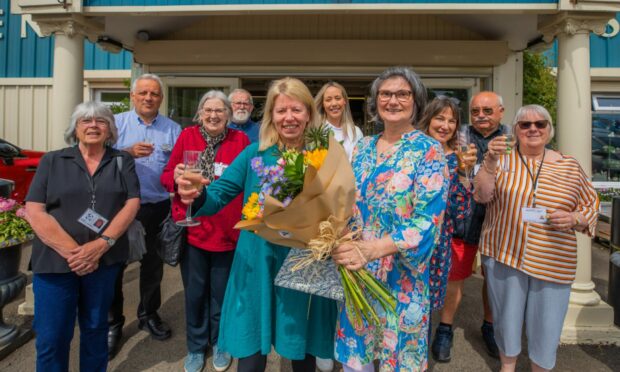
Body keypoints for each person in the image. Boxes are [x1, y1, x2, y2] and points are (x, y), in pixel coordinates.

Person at [176, 77, 337, 372]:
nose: (289, 117)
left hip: (303, 262)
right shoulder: (254, 154)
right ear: (271, 117)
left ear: (309, 115)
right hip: (257, 259)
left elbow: (338, 207)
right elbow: (218, 196)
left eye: (297, 110)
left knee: (302, 350)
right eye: (281, 111)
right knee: (250, 352)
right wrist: (197, 194)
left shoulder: (325, 156)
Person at [331, 66, 448, 371]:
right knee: (358, 361)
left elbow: (427, 223)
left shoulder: (429, 151)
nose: (393, 100)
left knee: (396, 359)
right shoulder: (363, 148)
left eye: (402, 94)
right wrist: (335, 234)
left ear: (416, 101)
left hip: (401, 277)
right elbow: (348, 203)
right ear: (375, 101)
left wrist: (373, 249)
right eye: (385, 93)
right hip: (358, 272)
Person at [474, 104, 599, 371]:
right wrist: (490, 160)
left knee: (547, 323)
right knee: (506, 319)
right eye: (525, 124)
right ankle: (507, 367)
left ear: (549, 130)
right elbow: (482, 196)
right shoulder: (502, 160)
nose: (533, 129)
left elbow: (591, 204)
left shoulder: (569, 166)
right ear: (515, 130)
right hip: (505, 251)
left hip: (552, 259)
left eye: (540, 124)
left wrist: (574, 218)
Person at [25, 102, 140, 371]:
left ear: (110, 129)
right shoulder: (52, 160)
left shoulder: (123, 161)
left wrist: (101, 245)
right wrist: (75, 253)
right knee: (52, 337)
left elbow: (132, 203)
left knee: (95, 330)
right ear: (75, 129)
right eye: (85, 121)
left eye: (101, 121)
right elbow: (35, 210)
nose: (93, 125)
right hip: (54, 262)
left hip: (103, 261)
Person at [161, 90, 250, 372]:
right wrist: (175, 178)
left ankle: (221, 342)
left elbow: (251, 179)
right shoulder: (188, 137)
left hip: (228, 234)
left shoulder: (241, 140)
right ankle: (197, 347)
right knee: (196, 294)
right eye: (208, 110)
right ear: (200, 113)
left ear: (228, 115)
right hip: (195, 231)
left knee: (223, 294)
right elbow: (165, 176)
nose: (213, 115)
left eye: (220, 111)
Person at [108, 73, 181, 357]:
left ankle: (148, 314)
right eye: (143, 93)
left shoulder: (173, 129)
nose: (149, 98)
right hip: (119, 207)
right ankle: (113, 323)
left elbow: (178, 167)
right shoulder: (116, 124)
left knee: (153, 267)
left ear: (161, 98)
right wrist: (125, 152)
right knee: (115, 268)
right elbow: (96, 157)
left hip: (157, 207)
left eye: (154, 94)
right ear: (133, 96)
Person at [431, 91, 503, 361]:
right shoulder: (460, 136)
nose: (481, 116)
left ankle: (489, 326)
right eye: (475, 111)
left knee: (493, 278)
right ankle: (445, 328)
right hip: (466, 220)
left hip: (500, 220)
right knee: (456, 277)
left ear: (500, 112)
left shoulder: (512, 137)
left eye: (488, 110)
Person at [416, 97, 475, 317]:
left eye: (452, 121)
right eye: (440, 118)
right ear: (428, 119)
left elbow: (462, 211)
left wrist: (462, 172)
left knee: (426, 309)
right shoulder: (413, 153)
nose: (445, 125)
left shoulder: (458, 160)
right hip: (407, 241)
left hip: (439, 243)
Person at [314, 81, 363, 160]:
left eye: (338, 98)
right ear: (323, 104)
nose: (334, 103)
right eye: (328, 100)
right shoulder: (316, 131)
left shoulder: (356, 132)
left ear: (344, 101)